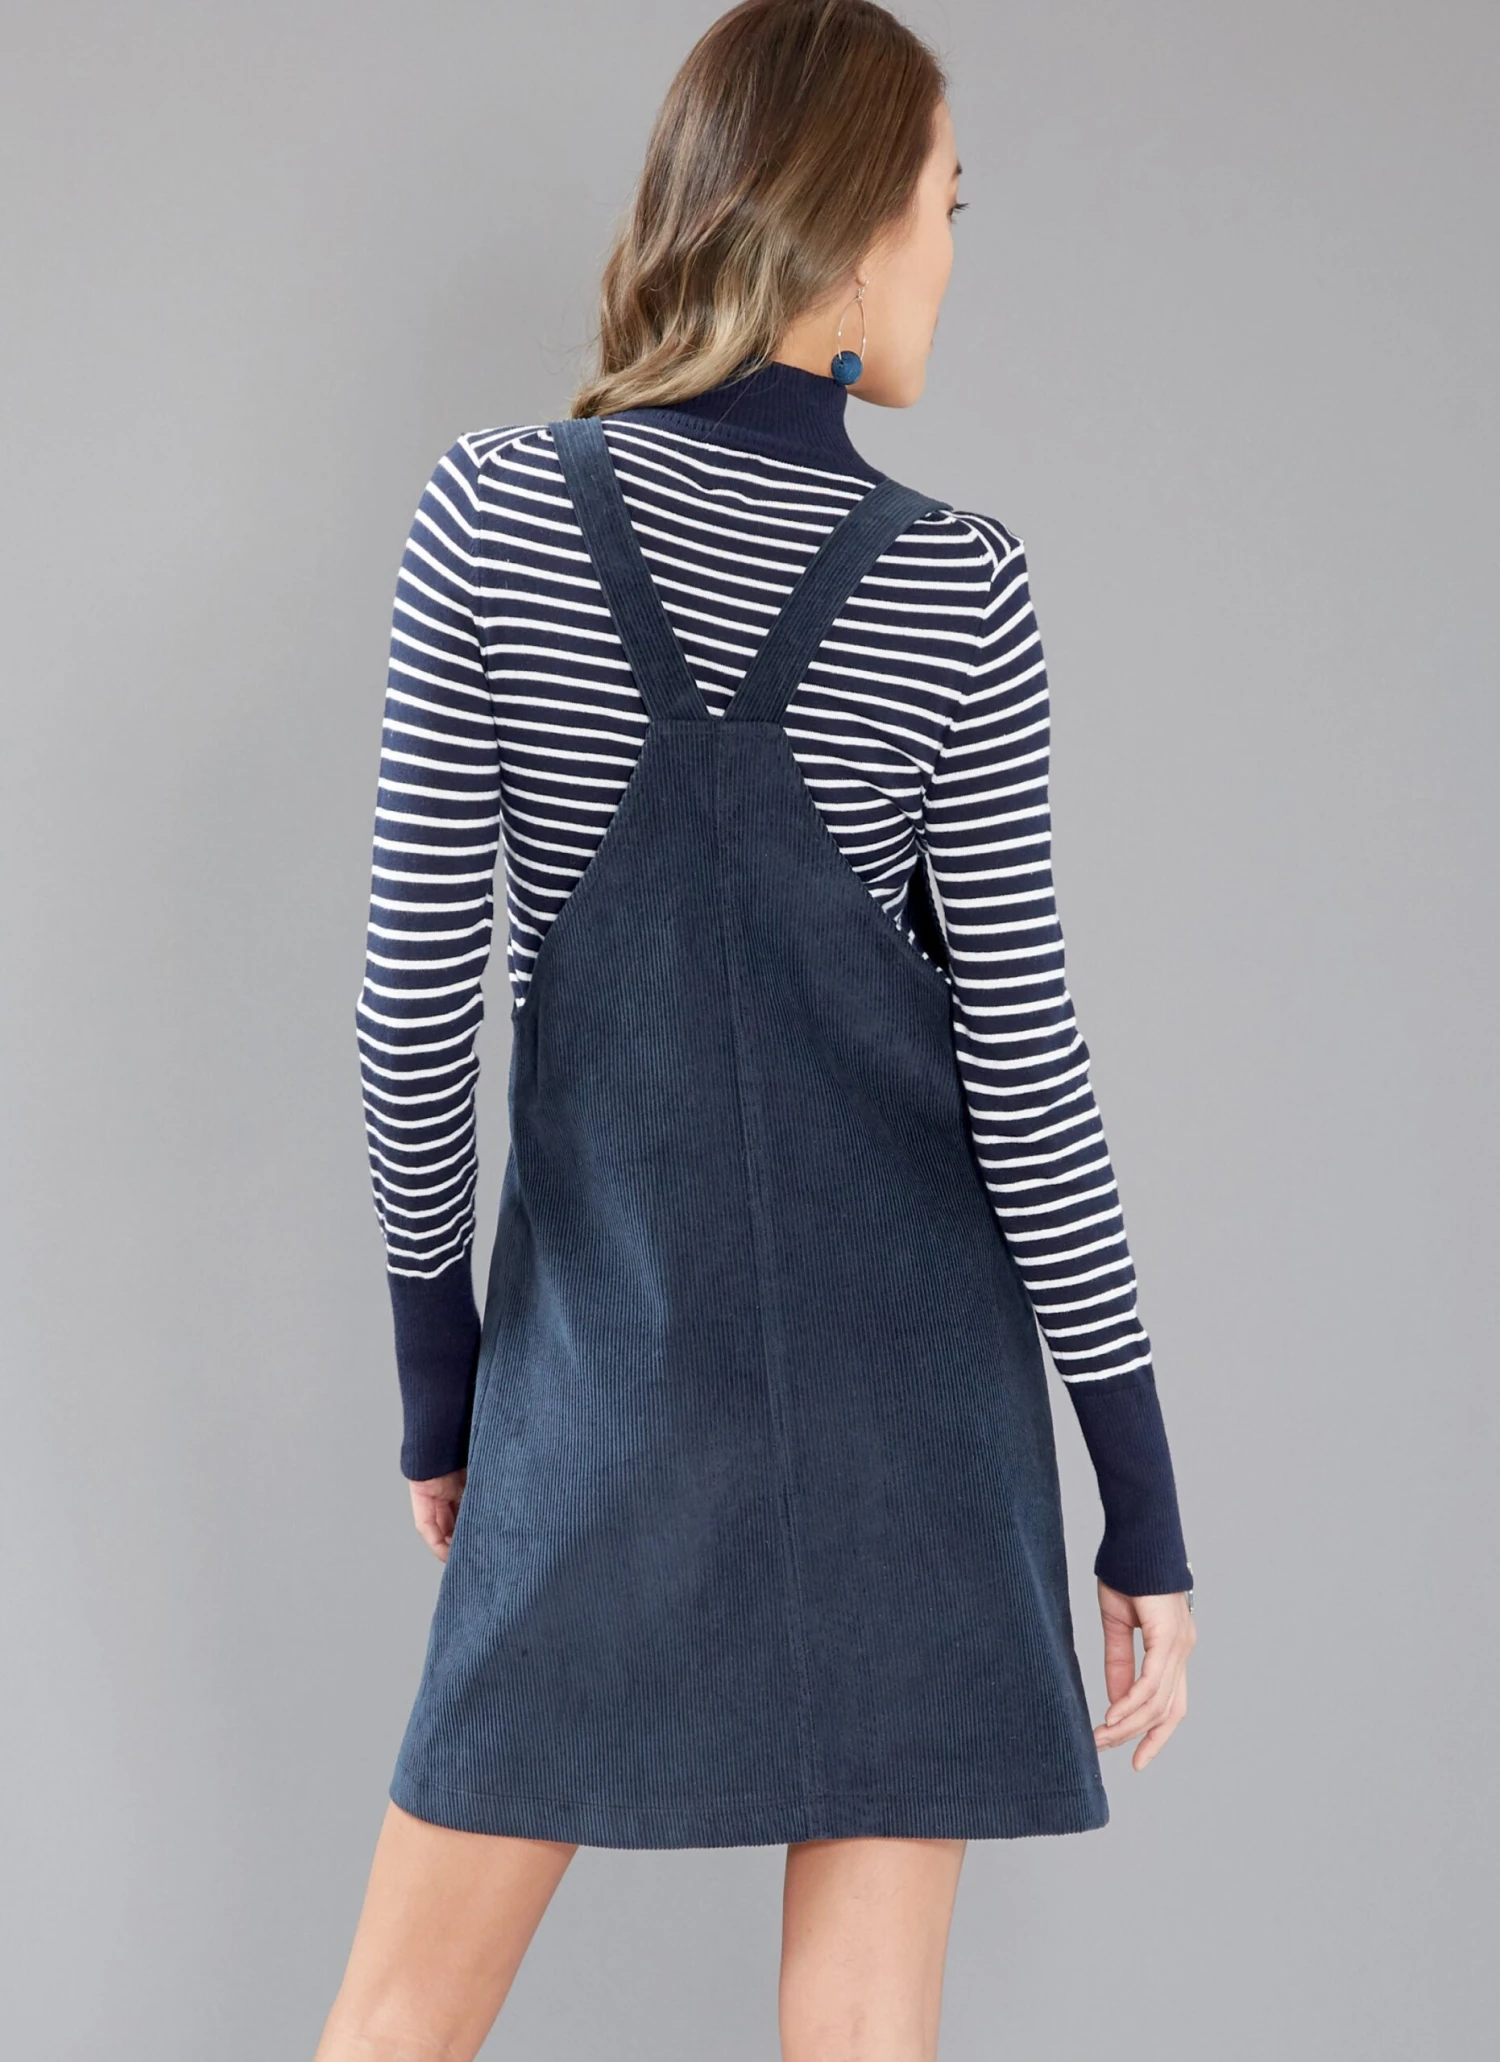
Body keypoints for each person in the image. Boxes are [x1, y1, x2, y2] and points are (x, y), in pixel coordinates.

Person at [317, 4, 1196, 2057]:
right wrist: (1139, 1498)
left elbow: (407, 1015)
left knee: (397, 2016)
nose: (954, 254)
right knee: (869, 2030)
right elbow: (1029, 1073)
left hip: (600, 1375)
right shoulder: (960, 590)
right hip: (916, 1409)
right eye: (947, 205)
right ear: (855, 225)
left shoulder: (491, 514)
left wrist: (446, 1387)